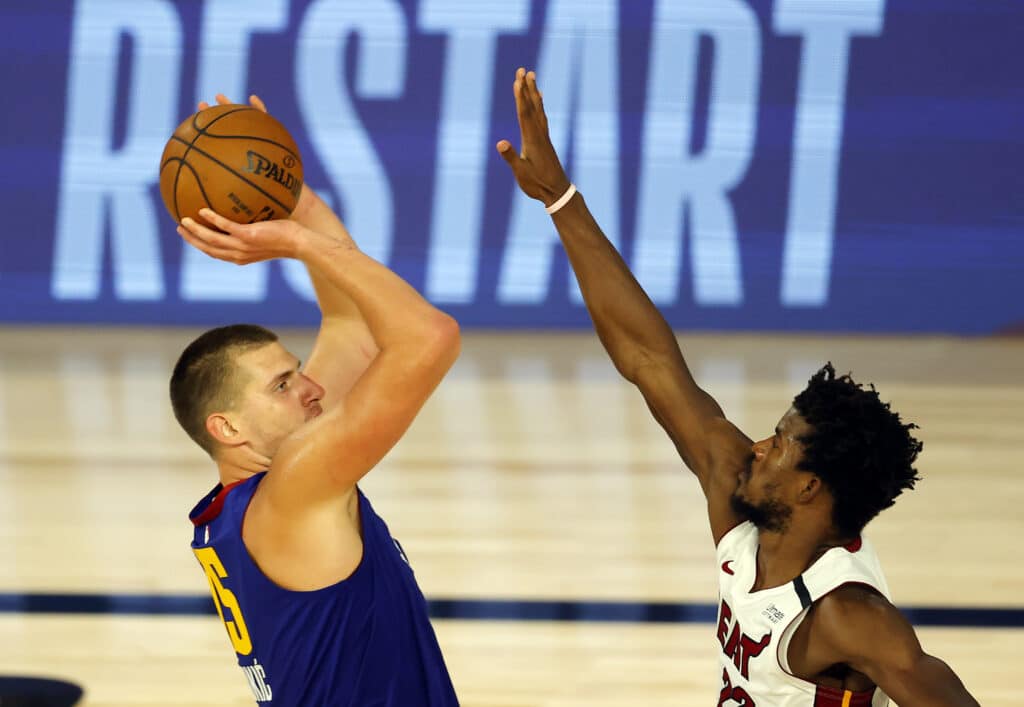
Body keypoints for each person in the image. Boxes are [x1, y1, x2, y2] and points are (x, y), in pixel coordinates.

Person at [497, 68, 979, 706]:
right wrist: (560, 199)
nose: (758, 445)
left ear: (810, 486)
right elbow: (648, 358)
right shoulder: (742, 506)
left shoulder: (850, 616)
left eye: (780, 444)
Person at [170, 95, 461, 706]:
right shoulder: (297, 484)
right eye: (281, 386)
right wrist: (300, 244)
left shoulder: (248, 499)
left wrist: (289, 195)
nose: (311, 389)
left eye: (295, 371)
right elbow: (430, 338)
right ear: (227, 428)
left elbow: (352, 324)